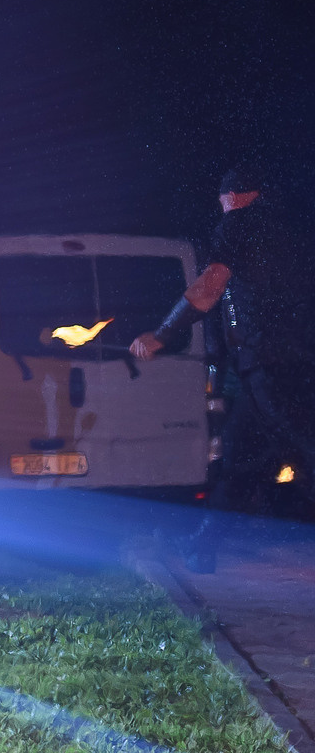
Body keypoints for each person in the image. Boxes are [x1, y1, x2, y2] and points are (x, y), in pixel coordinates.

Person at [132, 164, 314, 571]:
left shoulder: (240, 225)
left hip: (274, 368)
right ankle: (203, 548)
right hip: (283, 369)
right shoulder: (298, 226)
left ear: (234, 196)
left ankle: (203, 546)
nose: (223, 210)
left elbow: (209, 287)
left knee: (304, 452)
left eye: (223, 203)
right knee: (239, 456)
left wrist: (162, 334)